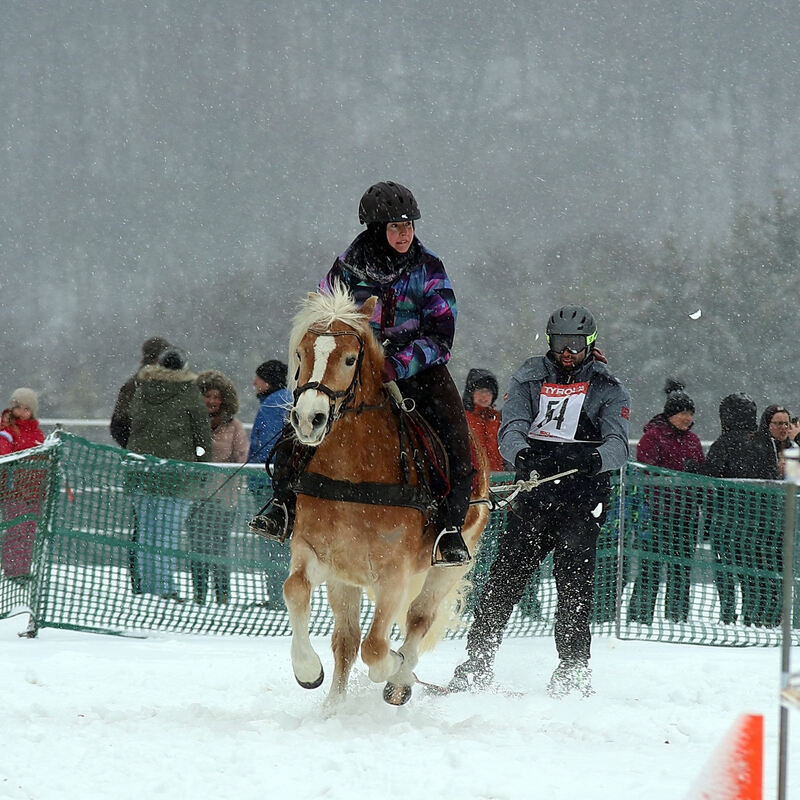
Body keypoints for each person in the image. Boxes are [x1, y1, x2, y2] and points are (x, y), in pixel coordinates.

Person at [250, 181, 474, 565]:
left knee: (457, 437)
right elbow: (321, 318)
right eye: (395, 227)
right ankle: (282, 504)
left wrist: (396, 363)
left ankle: (449, 529)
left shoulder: (429, 268)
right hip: (349, 369)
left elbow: (441, 333)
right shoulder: (347, 266)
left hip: (417, 368)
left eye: (409, 225)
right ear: (376, 230)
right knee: (300, 421)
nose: (405, 234)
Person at [449, 305, 631, 697]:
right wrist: (522, 454)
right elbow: (511, 426)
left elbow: (619, 443)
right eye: (561, 344)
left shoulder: (607, 386)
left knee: (574, 585)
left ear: (590, 344)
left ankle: (573, 667)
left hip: (582, 499)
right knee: (505, 580)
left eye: (576, 344)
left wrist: (594, 458)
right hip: (535, 494)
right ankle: (477, 660)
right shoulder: (530, 376)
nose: (568, 352)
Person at [126, 348, 213, 601]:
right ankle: (165, 588)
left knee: (146, 533)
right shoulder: (188, 392)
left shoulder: (142, 389)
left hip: (143, 471)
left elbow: (130, 424)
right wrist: (203, 467)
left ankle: (147, 586)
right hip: (178, 474)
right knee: (167, 533)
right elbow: (202, 434)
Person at [627, 380, 705, 625]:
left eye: (690, 413)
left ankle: (677, 616)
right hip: (657, 514)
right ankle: (640, 615)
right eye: (683, 413)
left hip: (687, 514)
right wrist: (674, 479)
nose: (687, 418)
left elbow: (701, 471)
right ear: (671, 414)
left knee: (681, 568)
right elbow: (647, 470)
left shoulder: (693, 440)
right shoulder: (653, 437)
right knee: (651, 566)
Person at [702, 394, 778, 624]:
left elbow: (711, 473)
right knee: (752, 568)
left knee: (725, 567)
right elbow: (771, 474)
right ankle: (751, 613)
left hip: (728, 516)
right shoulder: (764, 442)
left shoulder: (724, 442)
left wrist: (693, 467)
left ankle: (727, 613)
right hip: (758, 517)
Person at [185, 370, 248, 605]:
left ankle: (223, 595)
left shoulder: (234, 427)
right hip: (195, 496)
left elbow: (240, 460)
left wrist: (232, 494)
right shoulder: (191, 423)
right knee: (197, 547)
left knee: (219, 547)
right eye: (207, 396)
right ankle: (199, 594)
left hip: (223, 499)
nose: (211, 402)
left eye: (216, 397)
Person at [0, 389, 46, 580]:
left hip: (35, 490)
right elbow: (4, 455)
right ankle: (13, 571)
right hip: (14, 491)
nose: (21, 412)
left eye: (26, 408)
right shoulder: (7, 431)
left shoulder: (37, 434)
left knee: (28, 532)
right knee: (16, 531)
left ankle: (23, 570)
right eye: (17, 407)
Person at [110, 336, 172, 448]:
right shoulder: (134, 386)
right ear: (157, 359)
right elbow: (119, 426)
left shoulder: (175, 384)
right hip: (144, 458)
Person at [247, 360, 292, 468]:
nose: (254, 383)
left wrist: (257, 470)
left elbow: (267, 446)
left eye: (258, 378)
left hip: (266, 475)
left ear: (268, 381)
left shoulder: (273, 404)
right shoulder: (287, 398)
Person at [462, 368, 507, 471]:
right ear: (471, 393)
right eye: (480, 391)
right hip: (472, 478)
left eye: (488, 391)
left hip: (499, 478)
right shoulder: (462, 419)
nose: (484, 396)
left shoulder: (499, 418)